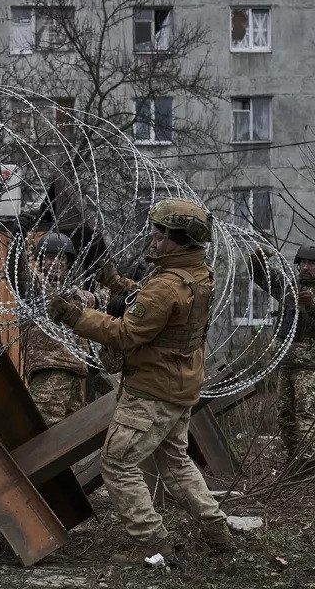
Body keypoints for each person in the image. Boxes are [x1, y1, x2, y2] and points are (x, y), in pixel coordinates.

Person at [47, 198, 234, 561]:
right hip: (178, 386)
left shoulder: (166, 286)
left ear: (181, 240)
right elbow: (151, 302)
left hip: (152, 391)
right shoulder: (197, 274)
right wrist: (116, 282)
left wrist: (75, 317)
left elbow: (125, 333)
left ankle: (150, 542)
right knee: (176, 464)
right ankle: (217, 530)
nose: (153, 240)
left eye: (161, 235)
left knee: (117, 462)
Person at [250, 245, 315, 471]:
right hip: (286, 364)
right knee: (285, 417)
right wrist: (258, 257)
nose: (306, 268)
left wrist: (312, 302)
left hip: (309, 367)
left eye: (311, 264)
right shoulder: (290, 288)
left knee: (306, 416)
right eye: (302, 263)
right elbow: (262, 276)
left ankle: (310, 464)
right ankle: (294, 460)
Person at [21, 231, 103, 425]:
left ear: (68, 264)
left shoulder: (77, 294)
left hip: (76, 374)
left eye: (61, 258)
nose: (56, 262)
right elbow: (21, 273)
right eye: (50, 258)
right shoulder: (37, 288)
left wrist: (117, 281)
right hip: (50, 370)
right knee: (48, 430)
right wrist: (18, 243)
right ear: (41, 261)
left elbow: (103, 299)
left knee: (73, 436)